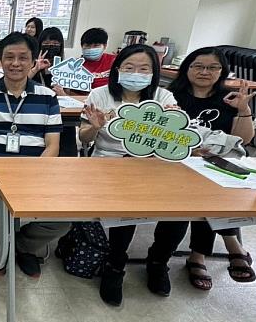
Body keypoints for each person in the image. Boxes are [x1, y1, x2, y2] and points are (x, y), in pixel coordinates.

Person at [79, 44, 187, 306]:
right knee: (127, 208)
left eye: (143, 69)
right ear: (117, 70)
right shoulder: (100, 94)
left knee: (182, 209)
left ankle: (158, 261)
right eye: (129, 67)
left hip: (153, 165)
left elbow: (175, 138)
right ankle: (115, 266)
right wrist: (94, 128)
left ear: (153, 72)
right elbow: (83, 138)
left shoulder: (163, 98)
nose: (135, 73)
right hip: (109, 163)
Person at [0, 32, 66, 278]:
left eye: (23, 57)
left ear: (33, 62)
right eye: (9, 57)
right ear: (0, 60)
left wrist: (35, 174)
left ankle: (20, 247)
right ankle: (0, 247)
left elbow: (53, 145)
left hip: (35, 168)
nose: (15, 63)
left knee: (63, 218)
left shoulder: (47, 97)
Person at [168, 46, 256, 290]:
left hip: (217, 164)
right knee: (201, 191)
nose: (204, 72)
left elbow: (244, 140)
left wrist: (243, 109)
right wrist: (190, 149)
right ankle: (224, 246)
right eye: (198, 66)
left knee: (216, 188)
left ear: (222, 71)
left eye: (212, 67)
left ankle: (200, 254)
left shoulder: (230, 98)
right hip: (179, 162)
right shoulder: (171, 97)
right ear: (187, 68)